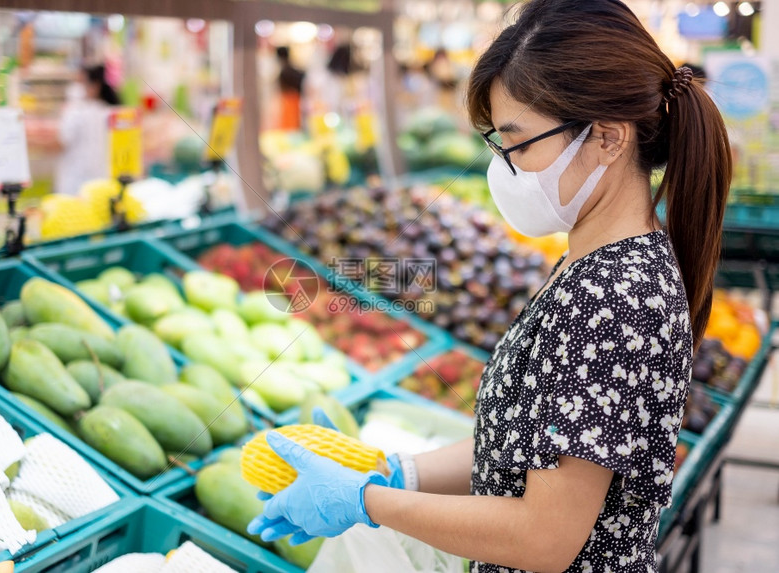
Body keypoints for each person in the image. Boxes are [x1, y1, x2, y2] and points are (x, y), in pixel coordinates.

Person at [246, 1, 732, 572]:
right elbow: (527, 447)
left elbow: (544, 538)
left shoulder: (613, 294)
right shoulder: (594, 265)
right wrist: (399, 471)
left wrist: (367, 501)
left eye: (519, 143)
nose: (506, 167)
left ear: (606, 138)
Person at [54, 66, 118, 196]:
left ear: (95, 86)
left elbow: (60, 143)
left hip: (75, 185)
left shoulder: (76, 112)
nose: (76, 87)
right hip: (102, 183)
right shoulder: (109, 111)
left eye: (80, 82)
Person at [276, 46, 304, 131]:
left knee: (290, 127)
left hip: (291, 103)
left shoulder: (286, 71)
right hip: (292, 102)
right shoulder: (291, 69)